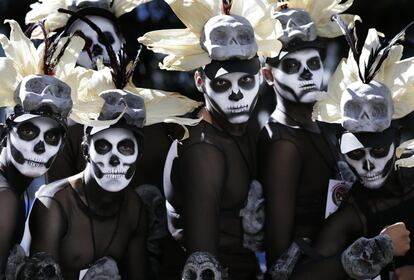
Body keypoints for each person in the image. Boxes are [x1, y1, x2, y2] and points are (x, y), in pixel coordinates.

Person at [139, 0, 281, 278]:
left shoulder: (239, 129)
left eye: (246, 82)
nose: (237, 95)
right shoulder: (204, 149)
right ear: (200, 82)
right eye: (222, 83)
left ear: (260, 80)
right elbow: (203, 260)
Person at [290, 23, 414, 279]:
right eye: (356, 154)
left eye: (378, 150)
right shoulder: (355, 209)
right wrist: (377, 250)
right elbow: (302, 276)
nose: (368, 165)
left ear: (398, 138)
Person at [257, 1, 358, 276]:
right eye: (291, 66)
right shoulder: (284, 144)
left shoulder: (315, 126)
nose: (307, 74)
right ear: (268, 75)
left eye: (313, 63)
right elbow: (278, 256)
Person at [28, 90, 148, 280]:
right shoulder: (54, 203)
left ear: (138, 153)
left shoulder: (134, 207)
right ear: (86, 151)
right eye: (103, 146)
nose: (115, 161)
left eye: (125, 147)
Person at [0, 20, 82, 276]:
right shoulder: (5, 199)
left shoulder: (15, 190)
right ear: (5, 133)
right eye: (28, 131)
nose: (39, 147)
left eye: (51, 137)